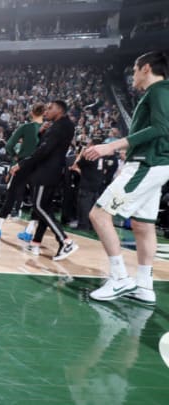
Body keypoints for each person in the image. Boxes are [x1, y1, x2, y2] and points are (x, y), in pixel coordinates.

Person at [83, 51, 169, 305]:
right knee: (143, 225)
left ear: (146, 68)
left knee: (99, 215)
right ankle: (144, 285)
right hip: (152, 164)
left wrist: (112, 146)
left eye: (133, 69)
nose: (131, 75)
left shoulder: (159, 91)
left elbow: (162, 128)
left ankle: (120, 277)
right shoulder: (159, 92)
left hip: (148, 163)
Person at [9, 100, 79, 261]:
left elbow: (44, 150)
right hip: (54, 171)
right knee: (45, 207)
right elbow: (47, 146)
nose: (46, 111)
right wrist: (41, 133)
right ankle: (35, 243)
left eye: (50, 108)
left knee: (39, 206)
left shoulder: (59, 126)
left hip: (47, 171)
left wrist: (22, 164)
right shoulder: (62, 125)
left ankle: (65, 241)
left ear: (60, 110)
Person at [0, 103, 45, 238]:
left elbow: (9, 145)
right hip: (39, 167)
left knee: (11, 196)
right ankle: (29, 231)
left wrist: (15, 156)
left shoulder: (26, 127)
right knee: (37, 201)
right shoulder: (47, 129)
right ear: (44, 113)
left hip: (23, 165)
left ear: (32, 112)